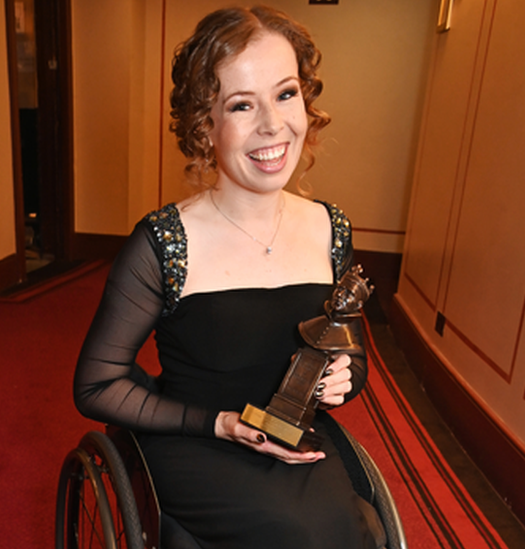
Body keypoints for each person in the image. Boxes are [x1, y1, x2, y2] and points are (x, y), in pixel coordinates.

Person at [74, 6, 381, 548]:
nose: (271, 124)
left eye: (285, 94)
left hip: (296, 439)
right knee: (297, 536)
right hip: (199, 439)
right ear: (204, 124)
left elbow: (351, 353)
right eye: (242, 104)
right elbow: (97, 385)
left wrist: (344, 377)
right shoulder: (165, 242)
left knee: (351, 531)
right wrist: (216, 423)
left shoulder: (331, 229)